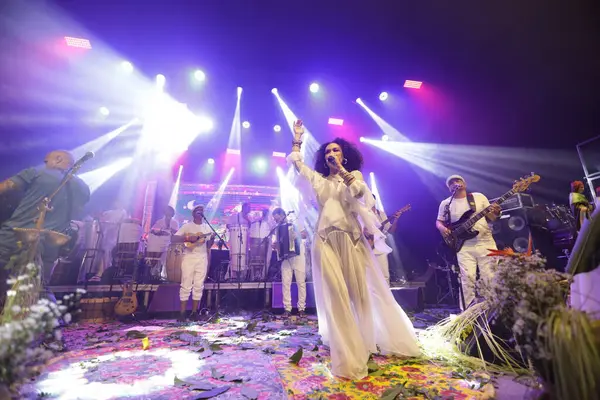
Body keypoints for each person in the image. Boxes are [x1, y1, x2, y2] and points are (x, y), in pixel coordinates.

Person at [288, 121, 420, 379]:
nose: (331, 154)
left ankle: (364, 340)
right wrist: (297, 139)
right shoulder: (318, 181)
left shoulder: (355, 177)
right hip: (324, 239)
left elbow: (360, 194)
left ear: (343, 155)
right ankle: (346, 350)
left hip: (351, 240)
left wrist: (343, 172)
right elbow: (297, 165)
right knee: (335, 294)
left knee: (358, 294)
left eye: (335, 151)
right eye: (327, 152)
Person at [0, 150, 90, 306]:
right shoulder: (83, 187)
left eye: (46, 161)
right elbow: (78, 210)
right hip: (51, 242)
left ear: (58, 159)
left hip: (16, 235)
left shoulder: (38, 172)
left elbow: (8, 185)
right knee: (40, 284)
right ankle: (54, 322)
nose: (45, 164)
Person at [436, 175, 501, 310]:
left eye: (458, 181)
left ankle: (492, 310)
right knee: (467, 280)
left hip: (485, 242)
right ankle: (468, 313)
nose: (455, 183)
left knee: (489, 277)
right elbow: (439, 221)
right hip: (464, 246)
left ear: (464, 183)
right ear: (449, 188)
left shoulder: (478, 197)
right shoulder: (446, 203)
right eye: (451, 183)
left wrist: (497, 212)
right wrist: (443, 229)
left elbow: (492, 218)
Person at [171, 205, 215, 322]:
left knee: (198, 285)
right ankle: (182, 313)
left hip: (202, 258)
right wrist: (188, 238)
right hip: (189, 257)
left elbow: (209, 245)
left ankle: (194, 312)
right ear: (193, 213)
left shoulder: (207, 228)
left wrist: (212, 239)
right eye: (197, 210)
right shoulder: (187, 226)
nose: (200, 212)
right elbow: (174, 239)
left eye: (201, 210)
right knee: (186, 284)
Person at [271, 207, 307, 318]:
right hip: (285, 258)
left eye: (277, 219)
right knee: (285, 283)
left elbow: (305, 234)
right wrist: (275, 246)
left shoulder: (295, 221)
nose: (276, 221)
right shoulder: (277, 229)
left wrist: (296, 236)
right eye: (274, 219)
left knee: (301, 282)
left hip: (298, 255)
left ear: (282, 215)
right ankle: (287, 308)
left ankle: (301, 308)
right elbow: (275, 244)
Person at [149, 205, 179, 278]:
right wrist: (159, 232)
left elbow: (178, 233)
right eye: (167, 212)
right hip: (158, 243)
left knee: (166, 260)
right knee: (157, 259)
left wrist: (172, 230)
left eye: (170, 213)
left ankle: (165, 276)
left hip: (169, 244)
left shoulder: (175, 223)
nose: (169, 214)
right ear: (165, 213)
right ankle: (154, 275)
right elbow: (153, 230)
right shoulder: (159, 222)